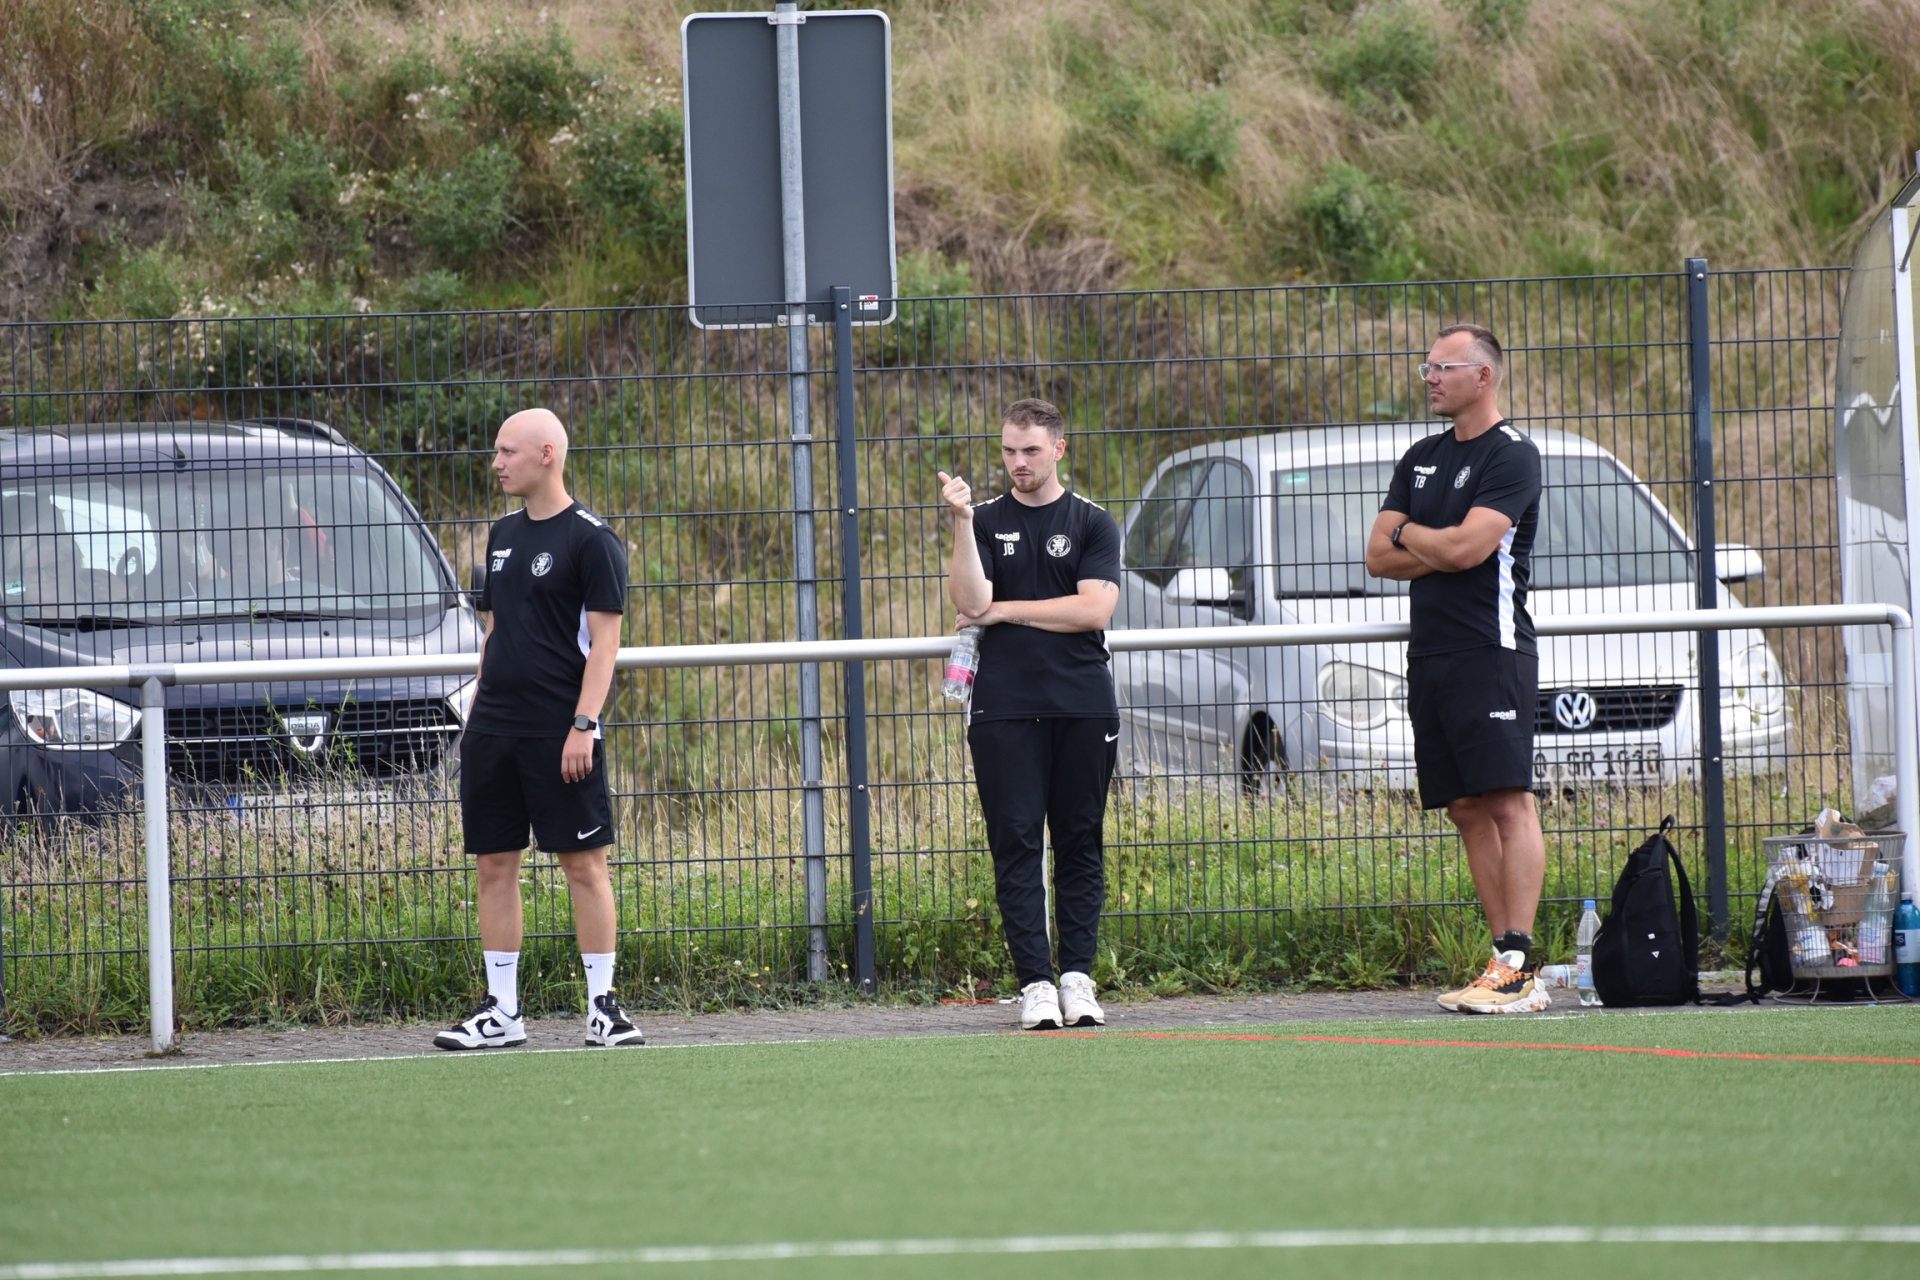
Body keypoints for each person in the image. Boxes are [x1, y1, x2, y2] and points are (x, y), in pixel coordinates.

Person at [434, 407, 645, 1050]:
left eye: (508, 452)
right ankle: (502, 1012)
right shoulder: (500, 535)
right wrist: (479, 709)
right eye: (497, 452)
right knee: (494, 864)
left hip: (561, 732)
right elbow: (494, 633)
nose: (496, 463)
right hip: (494, 729)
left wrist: (583, 724)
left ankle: (604, 1010)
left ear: (547, 454)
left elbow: (605, 646)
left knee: (584, 866)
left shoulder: (592, 540)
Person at [1364, 324, 1551, 1015]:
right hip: (1431, 655)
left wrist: (1412, 533)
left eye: (1443, 367)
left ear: (1484, 376)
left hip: (1490, 651)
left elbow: (1470, 550)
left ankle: (1521, 966)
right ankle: (1502, 961)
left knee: (1507, 800)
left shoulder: (1513, 455)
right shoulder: (1420, 456)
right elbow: (1376, 557)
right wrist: (1432, 543)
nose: (1430, 378)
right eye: (1428, 367)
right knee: (1466, 808)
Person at [938, 398, 1122, 1030]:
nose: (1018, 461)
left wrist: (1008, 610)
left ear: (1058, 450)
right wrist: (962, 522)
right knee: (1016, 843)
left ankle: (1077, 978)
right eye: (1009, 450)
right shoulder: (986, 520)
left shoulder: (1093, 522)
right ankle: (1036, 984)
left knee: (1079, 841)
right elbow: (971, 600)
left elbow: (1093, 610)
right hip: (1004, 707)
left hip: (1083, 702)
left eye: (1031, 450)